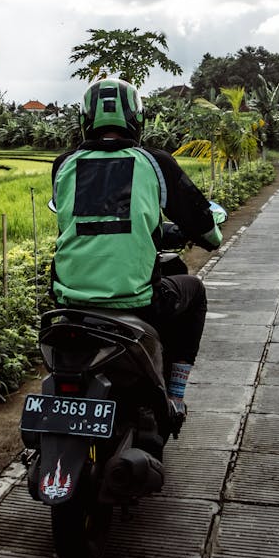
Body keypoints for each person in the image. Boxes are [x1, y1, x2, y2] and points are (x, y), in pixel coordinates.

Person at [50, 77, 223, 418]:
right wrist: (210, 234)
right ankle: (174, 395)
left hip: (69, 301)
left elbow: (74, 221)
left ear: (85, 120)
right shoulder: (154, 162)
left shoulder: (64, 164)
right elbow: (202, 226)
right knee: (195, 291)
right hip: (138, 301)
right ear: (136, 119)